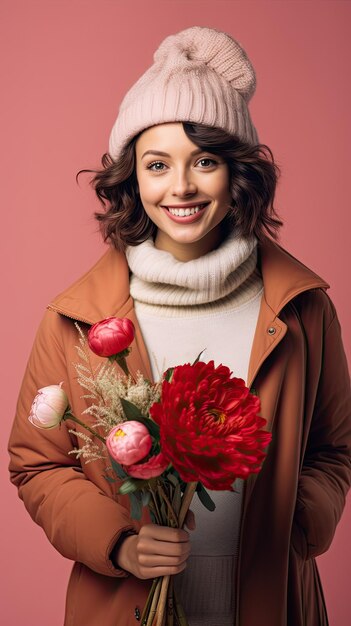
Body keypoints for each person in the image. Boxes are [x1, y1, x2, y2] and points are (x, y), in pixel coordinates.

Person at [8, 26, 351, 626]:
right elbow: (38, 463)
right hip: (124, 605)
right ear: (133, 178)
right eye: (158, 164)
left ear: (236, 172)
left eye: (206, 161)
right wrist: (117, 542)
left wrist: (297, 523)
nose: (182, 187)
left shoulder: (301, 309)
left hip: (274, 602)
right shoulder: (76, 317)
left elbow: (334, 449)